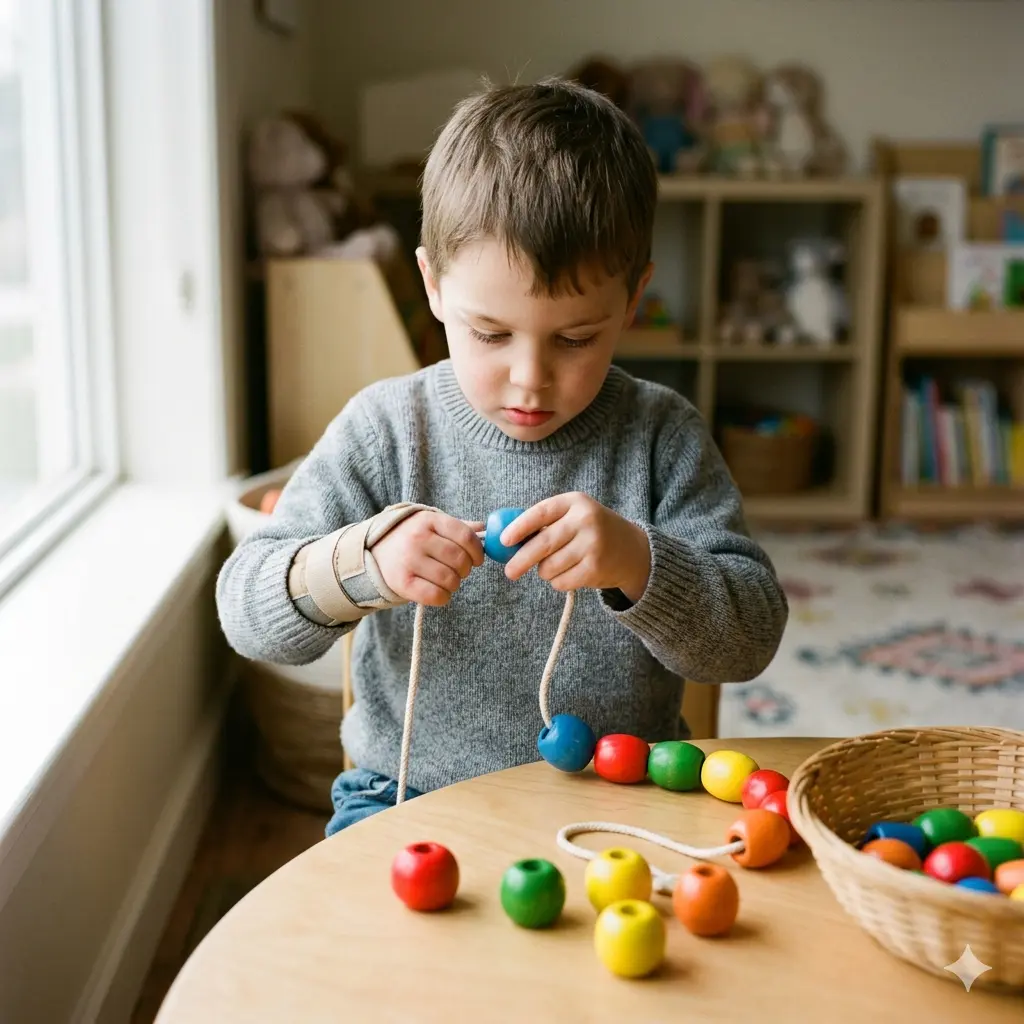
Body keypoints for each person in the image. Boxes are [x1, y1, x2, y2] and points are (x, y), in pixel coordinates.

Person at [216, 77, 789, 837]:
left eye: (576, 338)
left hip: (620, 799)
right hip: (406, 796)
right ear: (433, 285)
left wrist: (636, 562)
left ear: (633, 298)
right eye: (490, 333)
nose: (529, 377)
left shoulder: (661, 435)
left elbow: (750, 636)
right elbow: (247, 612)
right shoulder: (387, 429)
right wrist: (363, 566)